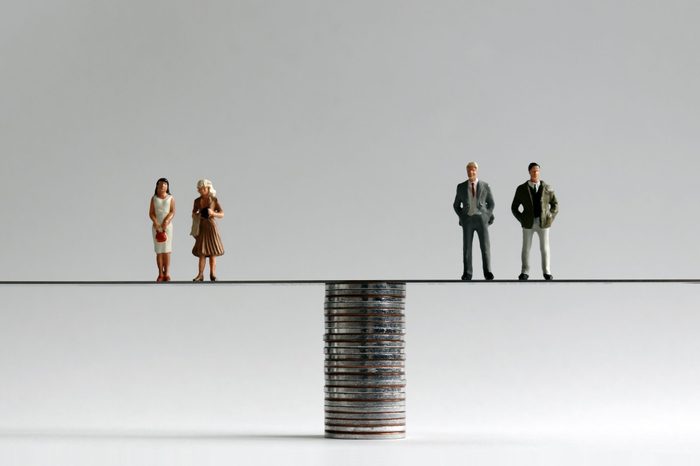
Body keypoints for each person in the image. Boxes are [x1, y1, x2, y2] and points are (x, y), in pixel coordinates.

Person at [510, 162, 559, 280]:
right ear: (529, 172)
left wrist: (550, 217)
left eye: (537, 171)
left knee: (545, 248)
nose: (535, 173)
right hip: (528, 223)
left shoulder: (548, 188)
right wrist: (522, 219)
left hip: (544, 223)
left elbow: (555, 205)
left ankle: (547, 271)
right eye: (533, 171)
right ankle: (525, 271)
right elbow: (514, 207)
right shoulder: (522, 189)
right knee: (526, 247)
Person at [453, 161, 495, 280]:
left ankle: (488, 272)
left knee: (485, 246)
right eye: (469, 170)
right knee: (467, 247)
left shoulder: (485, 186)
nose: (471, 172)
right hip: (468, 220)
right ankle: (467, 272)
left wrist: (486, 215)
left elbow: (491, 203)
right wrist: (462, 217)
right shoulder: (461, 187)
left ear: (476, 171)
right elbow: (456, 205)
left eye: (473, 170)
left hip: (481, 219)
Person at [191, 179, 224, 281]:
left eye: (203, 188)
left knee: (212, 252)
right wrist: (197, 215)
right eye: (200, 189)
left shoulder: (214, 200)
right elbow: (193, 213)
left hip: (211, 227)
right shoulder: (197, 201)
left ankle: (212, 274)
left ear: (208, 188)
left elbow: (222, 214)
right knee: (202, 253)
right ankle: (200, 274)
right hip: (201, 226)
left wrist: (213, 213)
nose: (201, 191)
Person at [149, 178, 175, 282]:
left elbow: (172, 211)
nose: (163, 187)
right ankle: (160, 273)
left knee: (167, 251)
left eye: (165, 185)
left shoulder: (171, 198)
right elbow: (151, 213)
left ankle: (167, 273)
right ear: (157, 186)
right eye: (161, 185)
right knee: (159, 251)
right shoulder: (154, 198)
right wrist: (156, 222)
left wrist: (166, 221)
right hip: (157, 227)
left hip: (167, 227)